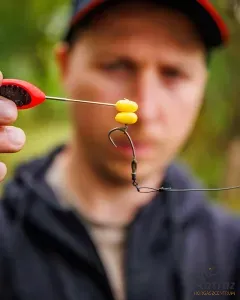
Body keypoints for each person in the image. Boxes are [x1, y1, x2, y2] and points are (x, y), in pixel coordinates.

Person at [0, 0, 239, 299]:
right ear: (65, 67)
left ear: (203, 83)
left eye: (173, 73)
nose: (146, 111)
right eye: (118, 66)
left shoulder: (231, 252)